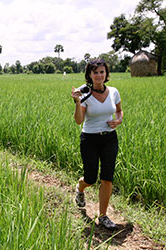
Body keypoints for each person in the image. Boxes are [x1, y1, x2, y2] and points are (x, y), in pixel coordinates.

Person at [71, 58, 123, 230]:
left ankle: (103, 216)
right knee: (91, 178)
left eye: (102, 71)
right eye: (95, 72)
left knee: (107, 179)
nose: (99, 75)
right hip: (90, 140)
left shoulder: (114, 91)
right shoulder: (84, 94)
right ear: (90, 75)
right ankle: (80, 188)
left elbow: (119, 110)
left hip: (109, 138)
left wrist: (119, 120)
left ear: (106, 74)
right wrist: (78, 103)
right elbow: (79, 121)